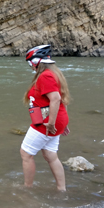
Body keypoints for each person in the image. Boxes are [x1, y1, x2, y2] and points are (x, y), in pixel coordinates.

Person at [20, 44, 71, 191]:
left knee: (26, 153)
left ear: (36, 62)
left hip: (46, 122)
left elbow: (55, 99)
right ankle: (61, 189)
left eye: (30, 64)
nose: (30, 67)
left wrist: (51, 123)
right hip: (57, 120)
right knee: (50, 155)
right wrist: (63, 122)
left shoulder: (45, 76)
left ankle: (27, 188)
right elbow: (63, 99)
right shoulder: (55, 74)